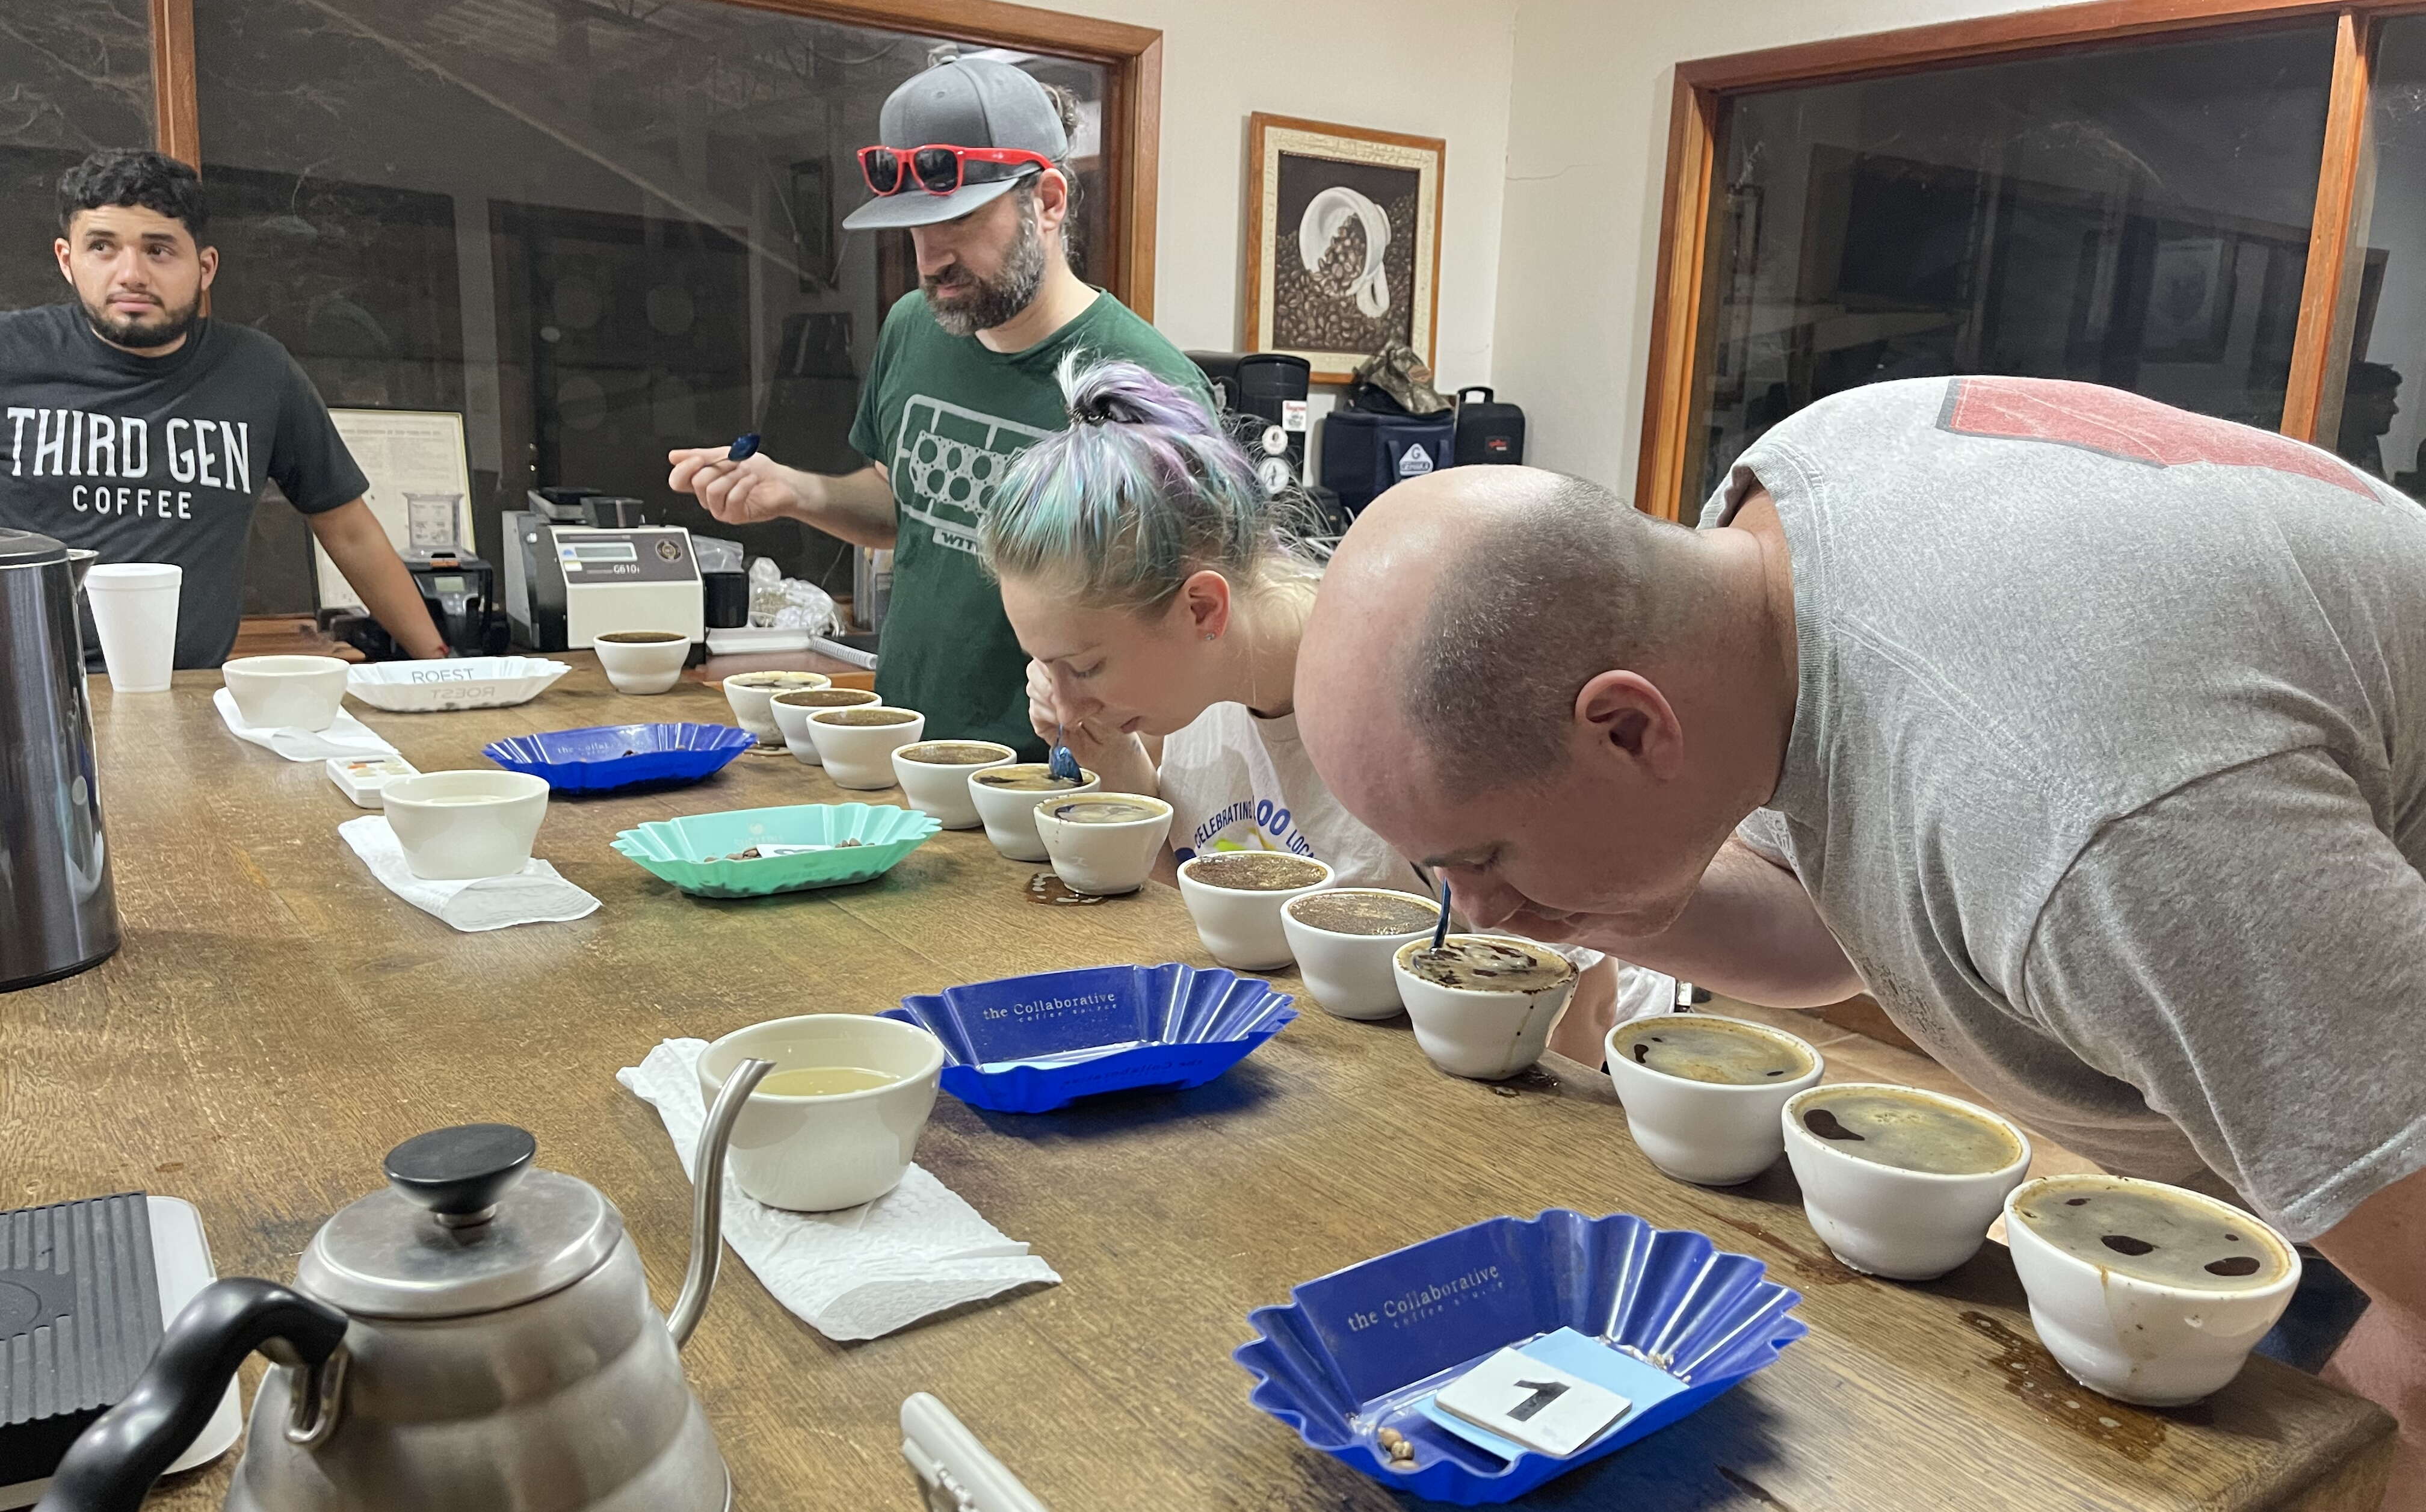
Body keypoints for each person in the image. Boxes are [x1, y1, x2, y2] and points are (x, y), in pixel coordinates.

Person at [1292, 376, 2426, 1507]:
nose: (1476, 914)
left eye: (1480, 856)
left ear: (1631, 726)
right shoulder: (1781, 534)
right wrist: (1573, 893)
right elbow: (1831, 925)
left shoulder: (2098, 825)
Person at [980, 356, 1672, 1059]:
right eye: (1045, 662)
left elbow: (1580, 1002)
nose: (1061, 702)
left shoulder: (1415, 706)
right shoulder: (1191, 692)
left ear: (1201, 607)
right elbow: (1188, 862)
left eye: (1086, 664)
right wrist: (1105, 746)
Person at [667, 57, 1209, 758]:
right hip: (908, 752)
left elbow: (1185, 634)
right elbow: (906, 506)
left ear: (1047, 201)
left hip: (1052, 785)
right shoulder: (914, 328)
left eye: (958, 219)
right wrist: (796, 490)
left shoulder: (1148, 384)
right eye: (914, 226)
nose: (930, 258)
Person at [1, 149, 446, 667]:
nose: (131, 274)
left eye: (159, 250)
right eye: (102, 247)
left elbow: (349, 530)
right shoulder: (11, 354)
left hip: (191, 701)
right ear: (67, 260)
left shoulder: (258, 371)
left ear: (205, 267)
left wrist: (447, 665)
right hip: (28, 700)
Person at [2337, 361, 2403, 481]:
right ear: (2352, 401)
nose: (2394, 409)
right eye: (2383, 400)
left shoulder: (2368, 443)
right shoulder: (2326, 444)